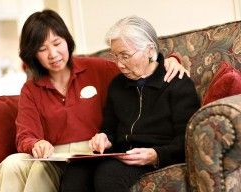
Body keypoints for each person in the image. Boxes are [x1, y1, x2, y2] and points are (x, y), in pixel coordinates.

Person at [0, 10, 189, 192]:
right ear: (33, 54)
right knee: (11, 164)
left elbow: (141, 69)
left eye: (57, 43)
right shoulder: (31, 89)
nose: (53, 54)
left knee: (39, 171)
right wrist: (36, 144)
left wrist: (172, 60)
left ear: (67, 41)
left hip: (92, 151)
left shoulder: (98, 69)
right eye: (42, 49)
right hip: (54, 156)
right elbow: (26, 135)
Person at [60, 16, 200, 192]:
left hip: (156, 154)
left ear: (149, 50)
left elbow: (186, 138)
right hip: (121, 154)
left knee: (108, 175)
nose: (119, 64)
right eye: (115, 56)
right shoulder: (117, 85)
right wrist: (104, 138)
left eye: (125, 56)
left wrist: (156, 155)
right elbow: (109, 127)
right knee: (75, 171)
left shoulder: (177, 83)